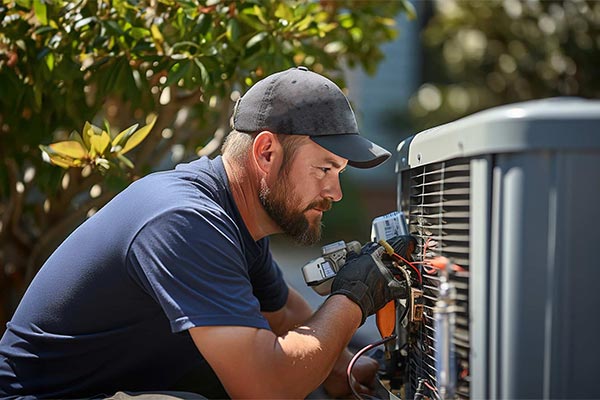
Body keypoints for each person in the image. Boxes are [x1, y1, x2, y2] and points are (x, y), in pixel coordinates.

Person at [0, 67, 408, 399]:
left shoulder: (236, 220)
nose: (335, 192)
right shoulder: (185, 220)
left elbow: (284, 316)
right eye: (324, 169)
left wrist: (354, 375)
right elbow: (266, 389)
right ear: (266, 153)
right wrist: (352, 297)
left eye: (338, 173)